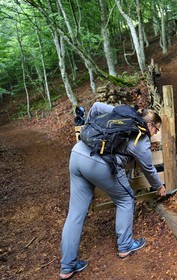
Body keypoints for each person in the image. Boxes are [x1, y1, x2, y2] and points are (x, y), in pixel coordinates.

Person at [59, 102, 166, 280]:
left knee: (76, 212)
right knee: (125, 199)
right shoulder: (141, 137)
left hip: (77, 153)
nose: (157, 133)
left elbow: (96, 106)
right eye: (157, 129)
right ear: (150, 125)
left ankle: (67, 266)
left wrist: (94, 131)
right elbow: (148, 168)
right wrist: (159, 187)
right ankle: (125, 245)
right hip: (97, 163)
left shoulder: (121, 115)